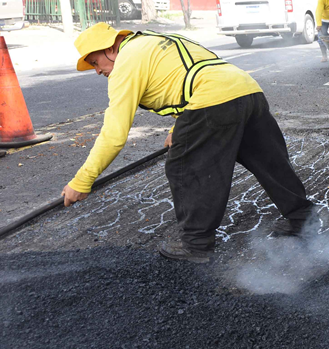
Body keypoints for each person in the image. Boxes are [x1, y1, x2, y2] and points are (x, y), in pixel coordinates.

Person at [63, 23, 314, 263]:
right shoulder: (153, 40)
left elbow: (114, 134)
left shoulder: (126, 61)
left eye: (95, 62)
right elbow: (187, 75)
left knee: (184, 166)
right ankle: (302, 216)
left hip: (212, 100)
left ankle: (195, 244)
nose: (97, 71)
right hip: (247, 90)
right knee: (269, 160)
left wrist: (83, 180)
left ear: (109, 49)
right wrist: (179, 126)